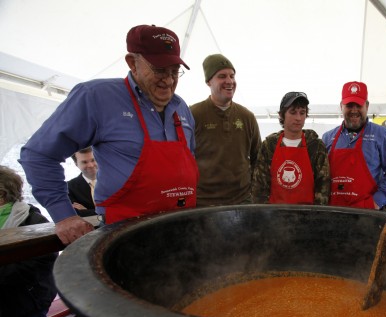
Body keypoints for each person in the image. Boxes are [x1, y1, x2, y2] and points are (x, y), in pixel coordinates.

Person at [19, 24, 198, 245]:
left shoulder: (182, 109)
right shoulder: (96, 98)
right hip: (124, 238)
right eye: (160, 70)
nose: (169, 80)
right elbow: (38, 155)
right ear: (133, 63)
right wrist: (64, 215)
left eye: (174, 71)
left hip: (181, 234)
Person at [0, 166, 58, 317]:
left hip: (27, 301)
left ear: (2, 195)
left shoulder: (31, 220)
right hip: (6, 300)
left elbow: (42, 259)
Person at [190, 54, 261, 206]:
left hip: (242, 201)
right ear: (209, 81)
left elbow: (258, 159)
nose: (229, 81)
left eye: (232, 76)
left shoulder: (247, 117)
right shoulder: (193, 115)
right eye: (222, 76)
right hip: (203, 203)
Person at [322, 81, 386, 210]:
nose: (354, 110)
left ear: (367, 106)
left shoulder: (381, 135)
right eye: (349, 105)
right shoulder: (327, 137)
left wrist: (377, 201)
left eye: (358, 105)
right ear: (341, 106)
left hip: (367, 214)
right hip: (334, 212)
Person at [252, 92, 330, 205]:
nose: (298, 118)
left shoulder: (316, 146)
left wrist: (315, 218)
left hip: (307, 216)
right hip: (275, 215)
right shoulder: (269, 145)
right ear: (282, 115)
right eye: (293, 112)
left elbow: (323, 187)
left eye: (302, 113)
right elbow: (259, 187)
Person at [67, 147, 97, 217]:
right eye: (84, 162)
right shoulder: (69, 187)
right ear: (76, 164)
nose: (91, 165)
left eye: (93, 160)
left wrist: (86, 211)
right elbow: (75, 214)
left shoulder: (115, 180)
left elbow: (122, 208)